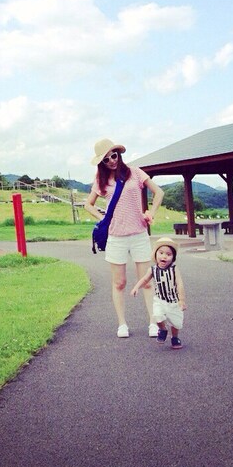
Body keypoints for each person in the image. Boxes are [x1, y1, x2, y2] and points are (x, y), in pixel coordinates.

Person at [84, 138, 164, 338]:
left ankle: (153, 322)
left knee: (147, 281)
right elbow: (88, 204)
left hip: (139, 234)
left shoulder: (135, 173)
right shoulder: (101, 180)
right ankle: (122, 324)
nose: (111, 160)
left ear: (118, 154)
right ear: (101, 163)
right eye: (106, 159)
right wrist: (103, 219)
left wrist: (151, 212)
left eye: (114, 155)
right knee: (119, 282)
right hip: (116, 237)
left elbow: (158, 192)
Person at [130, 236, 186, 349]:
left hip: (174, 301)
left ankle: (175, 337)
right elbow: (144, 279)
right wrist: (136, 287)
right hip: (160, 299)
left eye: (168, 254)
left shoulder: (174, 269)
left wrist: (181, 300)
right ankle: (163, 329)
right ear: (155, 255)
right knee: (157, 316)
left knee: (176, 323)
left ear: (173, 257)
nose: (164, 256)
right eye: (161, 253)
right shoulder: (153, 269)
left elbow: (179, 284)